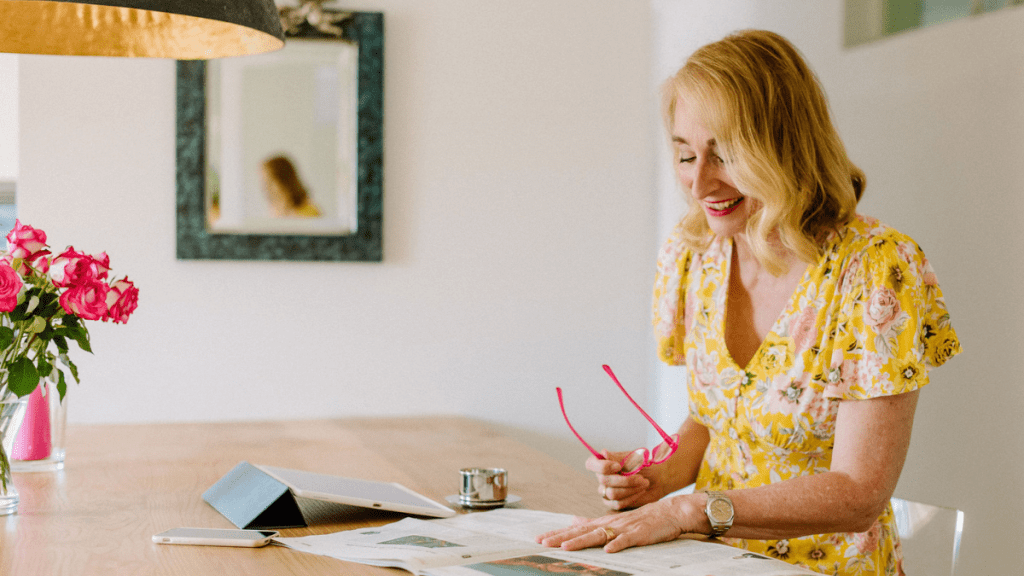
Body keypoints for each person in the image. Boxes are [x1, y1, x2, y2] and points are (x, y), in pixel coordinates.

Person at [537, 29, 960, 576]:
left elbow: (860, 494)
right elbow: (718, 419)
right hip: (707, 563)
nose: (699, 184)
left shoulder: (876, 269)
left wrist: (690, 510)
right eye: (686, 154)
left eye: (725, 154)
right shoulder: (693, 252)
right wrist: (659, 476)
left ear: (786, 146)